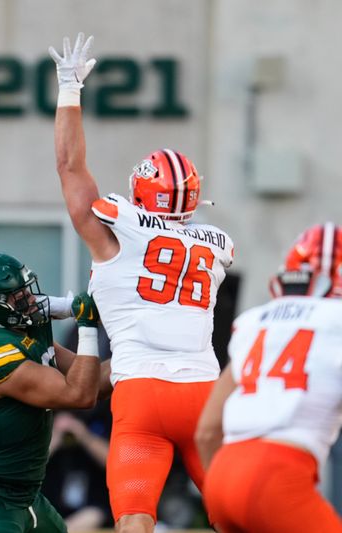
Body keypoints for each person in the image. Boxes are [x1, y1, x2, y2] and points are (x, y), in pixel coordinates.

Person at [49, 33, 234, 533]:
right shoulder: (216, 244)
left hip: (142, 393)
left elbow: (70, 168)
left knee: (134, 516)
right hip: (203, 392)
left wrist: (70, 89)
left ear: (138, 191)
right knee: (235, 513)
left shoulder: (119, 233)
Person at [195, 222, 342, 532]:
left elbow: (207, 431)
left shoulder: (255, 322)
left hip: (223, 477)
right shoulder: (335, 321)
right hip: (277, 477)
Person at [0, 252, 102, 533]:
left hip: (29, 496)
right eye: (18, 296)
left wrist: (139, 360)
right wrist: (88, 327)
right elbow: (80, 395)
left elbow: (93, 381)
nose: (31, 300)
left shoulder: (23, 335)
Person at [43, 408, 112, 531]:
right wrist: (55, 437)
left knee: (91, 516)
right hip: (49, 505)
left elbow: (114, 464)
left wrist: (85, 436)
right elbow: (25, 468)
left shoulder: (103, 414)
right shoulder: (44, 416)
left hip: (94, 507)